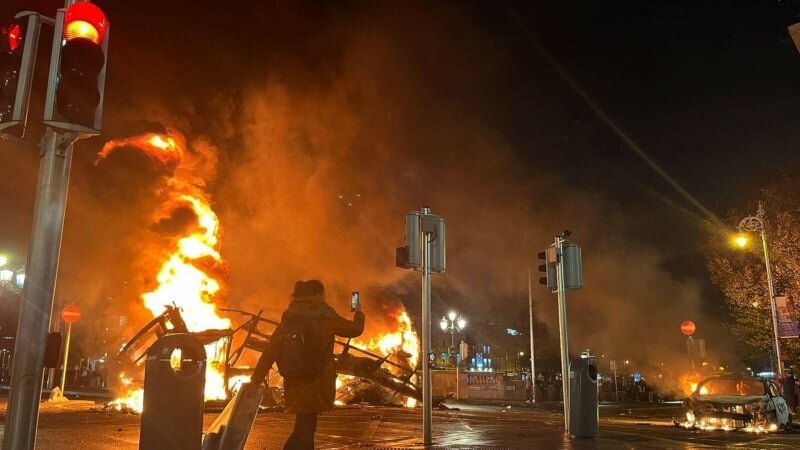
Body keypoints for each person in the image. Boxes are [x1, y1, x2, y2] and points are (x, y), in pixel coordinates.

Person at [252, 280, 365, 450]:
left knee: (304, 425)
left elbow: (271, 351)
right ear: (319, 295)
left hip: (294, 379)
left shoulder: (290, 317)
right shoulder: (324, 315)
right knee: (306, 429)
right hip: (315, 380)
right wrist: (359, 312)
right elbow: (354, 330)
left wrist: (255, 379)